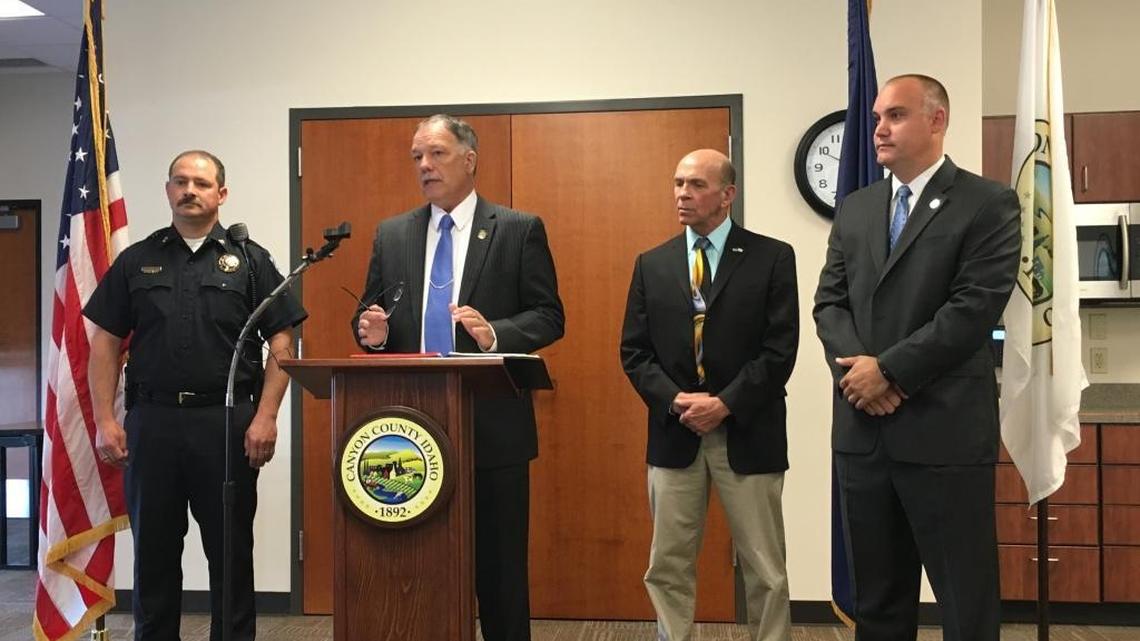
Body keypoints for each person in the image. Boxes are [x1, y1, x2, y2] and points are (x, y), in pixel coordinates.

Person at [813, 75, 1021, 641]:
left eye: (896, 115)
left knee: (966, 603)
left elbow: (972, 309)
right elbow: (829, 303)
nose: (879, 129)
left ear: (937, 120)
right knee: (878, 604)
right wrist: (861, 375)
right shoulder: (856, 208)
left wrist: (889, 371)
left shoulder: (987, 203)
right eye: (877, 117)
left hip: (944, 435)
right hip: (864, 434)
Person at [354, 114, 564, 641]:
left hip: (492, 426)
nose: (424, 165)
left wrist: (494, 334)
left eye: (437, 154)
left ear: (469, 160)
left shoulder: (517, 229)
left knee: (499, 571)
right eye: (417, 157)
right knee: (417, 565)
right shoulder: (393, 234)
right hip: (408, 427)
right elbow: (372, 314)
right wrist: (373, 334)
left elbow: (549, 316)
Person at [85, 150, 307, 641]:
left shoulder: (250, 261)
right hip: (153, 423)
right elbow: (104, 343)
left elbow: (283, 340)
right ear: (168, 190)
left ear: (221, 194)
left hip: (225, 424)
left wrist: (267, 416)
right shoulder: (137, 260)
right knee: (154, 555)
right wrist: (105, 419)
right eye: (181, 182)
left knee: (230, 554)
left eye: (202, 183)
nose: (190, 191)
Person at [619, 149, 798, 641]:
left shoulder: (771, 257)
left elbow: (780, 350)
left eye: (697, 185)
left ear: (727, 194)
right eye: (678, 183)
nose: (683, 194)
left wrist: (725, 403)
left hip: (748, 430)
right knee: (667, 563)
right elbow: (634, 352)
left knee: (765, 567)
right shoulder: (652, 264)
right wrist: (676, 400)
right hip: (674, 433)